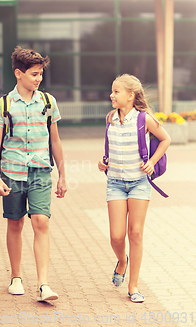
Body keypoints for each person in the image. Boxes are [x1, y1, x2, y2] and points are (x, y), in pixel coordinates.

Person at [0, 46, 67, 301]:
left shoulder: (48, 102)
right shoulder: (4, 104)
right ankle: (16, 277)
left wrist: (62, 175)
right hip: (11, 172)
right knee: (15, 223)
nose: (38, 79)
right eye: (34, 74)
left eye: (40, 74)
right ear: (18, 73)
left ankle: (43, 284)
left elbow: (55, 141)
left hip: (41, 170)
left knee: (41, 221)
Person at [98, 74, 170, 303]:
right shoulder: (110, 118)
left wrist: (152, 161)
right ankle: (122, 260)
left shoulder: (144, 118)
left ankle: (134, 286)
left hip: (139, 182)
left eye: (116, 91)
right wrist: (103, 162)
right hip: (116, 183)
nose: (112, 95)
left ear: (130, 96)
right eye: (112, 91)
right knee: (116, 236)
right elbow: (109, 148)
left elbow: (165, 139)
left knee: (135, 233)